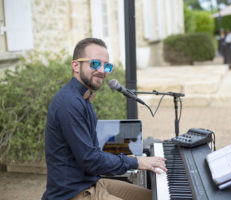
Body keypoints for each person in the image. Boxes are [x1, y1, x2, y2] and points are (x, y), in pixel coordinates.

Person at [42, 38, 167, 200]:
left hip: (90, 183)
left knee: (155, 197)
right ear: (76, 65)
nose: (102, 70)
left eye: (106, 65)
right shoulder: (69, 102)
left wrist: (130, 156)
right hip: (72, 192)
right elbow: (91, 160)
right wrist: (138, 162)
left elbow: (92, 152)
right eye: (95, 64)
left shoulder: (84, 98)